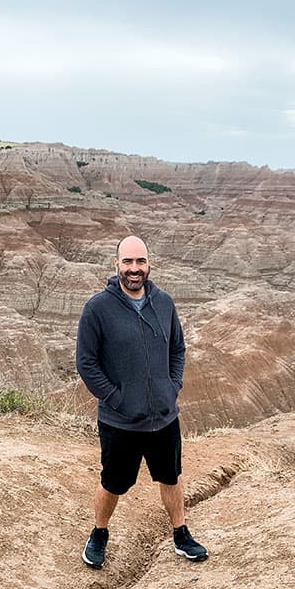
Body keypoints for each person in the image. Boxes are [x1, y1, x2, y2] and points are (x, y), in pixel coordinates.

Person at [76, 235, 208, 569]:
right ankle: (99, 535)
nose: (134, 269)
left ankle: (181, 535)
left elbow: (177, 349)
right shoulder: (98, 309)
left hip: (164, 417)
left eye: (141, 262)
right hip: (120, 421)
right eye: (128, 262)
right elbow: (86, 363)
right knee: (113, 483)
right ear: (116, 264)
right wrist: (117, 399)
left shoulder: (164, 303)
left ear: (149, 264)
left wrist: (171, 386)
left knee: (172, 478)